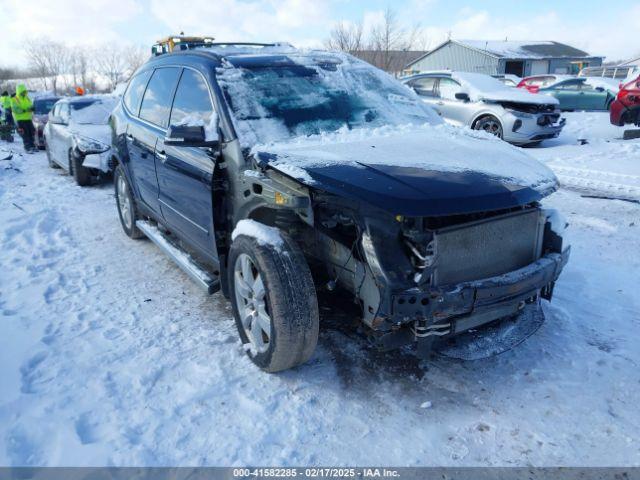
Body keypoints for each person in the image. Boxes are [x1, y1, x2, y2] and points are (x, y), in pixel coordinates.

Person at [11, 84, 36, 153]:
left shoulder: (27, 98)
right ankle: (27, 147)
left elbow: (30, 105)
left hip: (28, 118)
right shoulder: (14, 99)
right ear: (19, 91)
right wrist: (25, 110)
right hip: (20, 119)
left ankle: (32, 146)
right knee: (25, 133)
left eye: (25, 91)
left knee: (31, 132)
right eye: (23, 91)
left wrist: (32, 108)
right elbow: (15, 109)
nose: (24, 92)